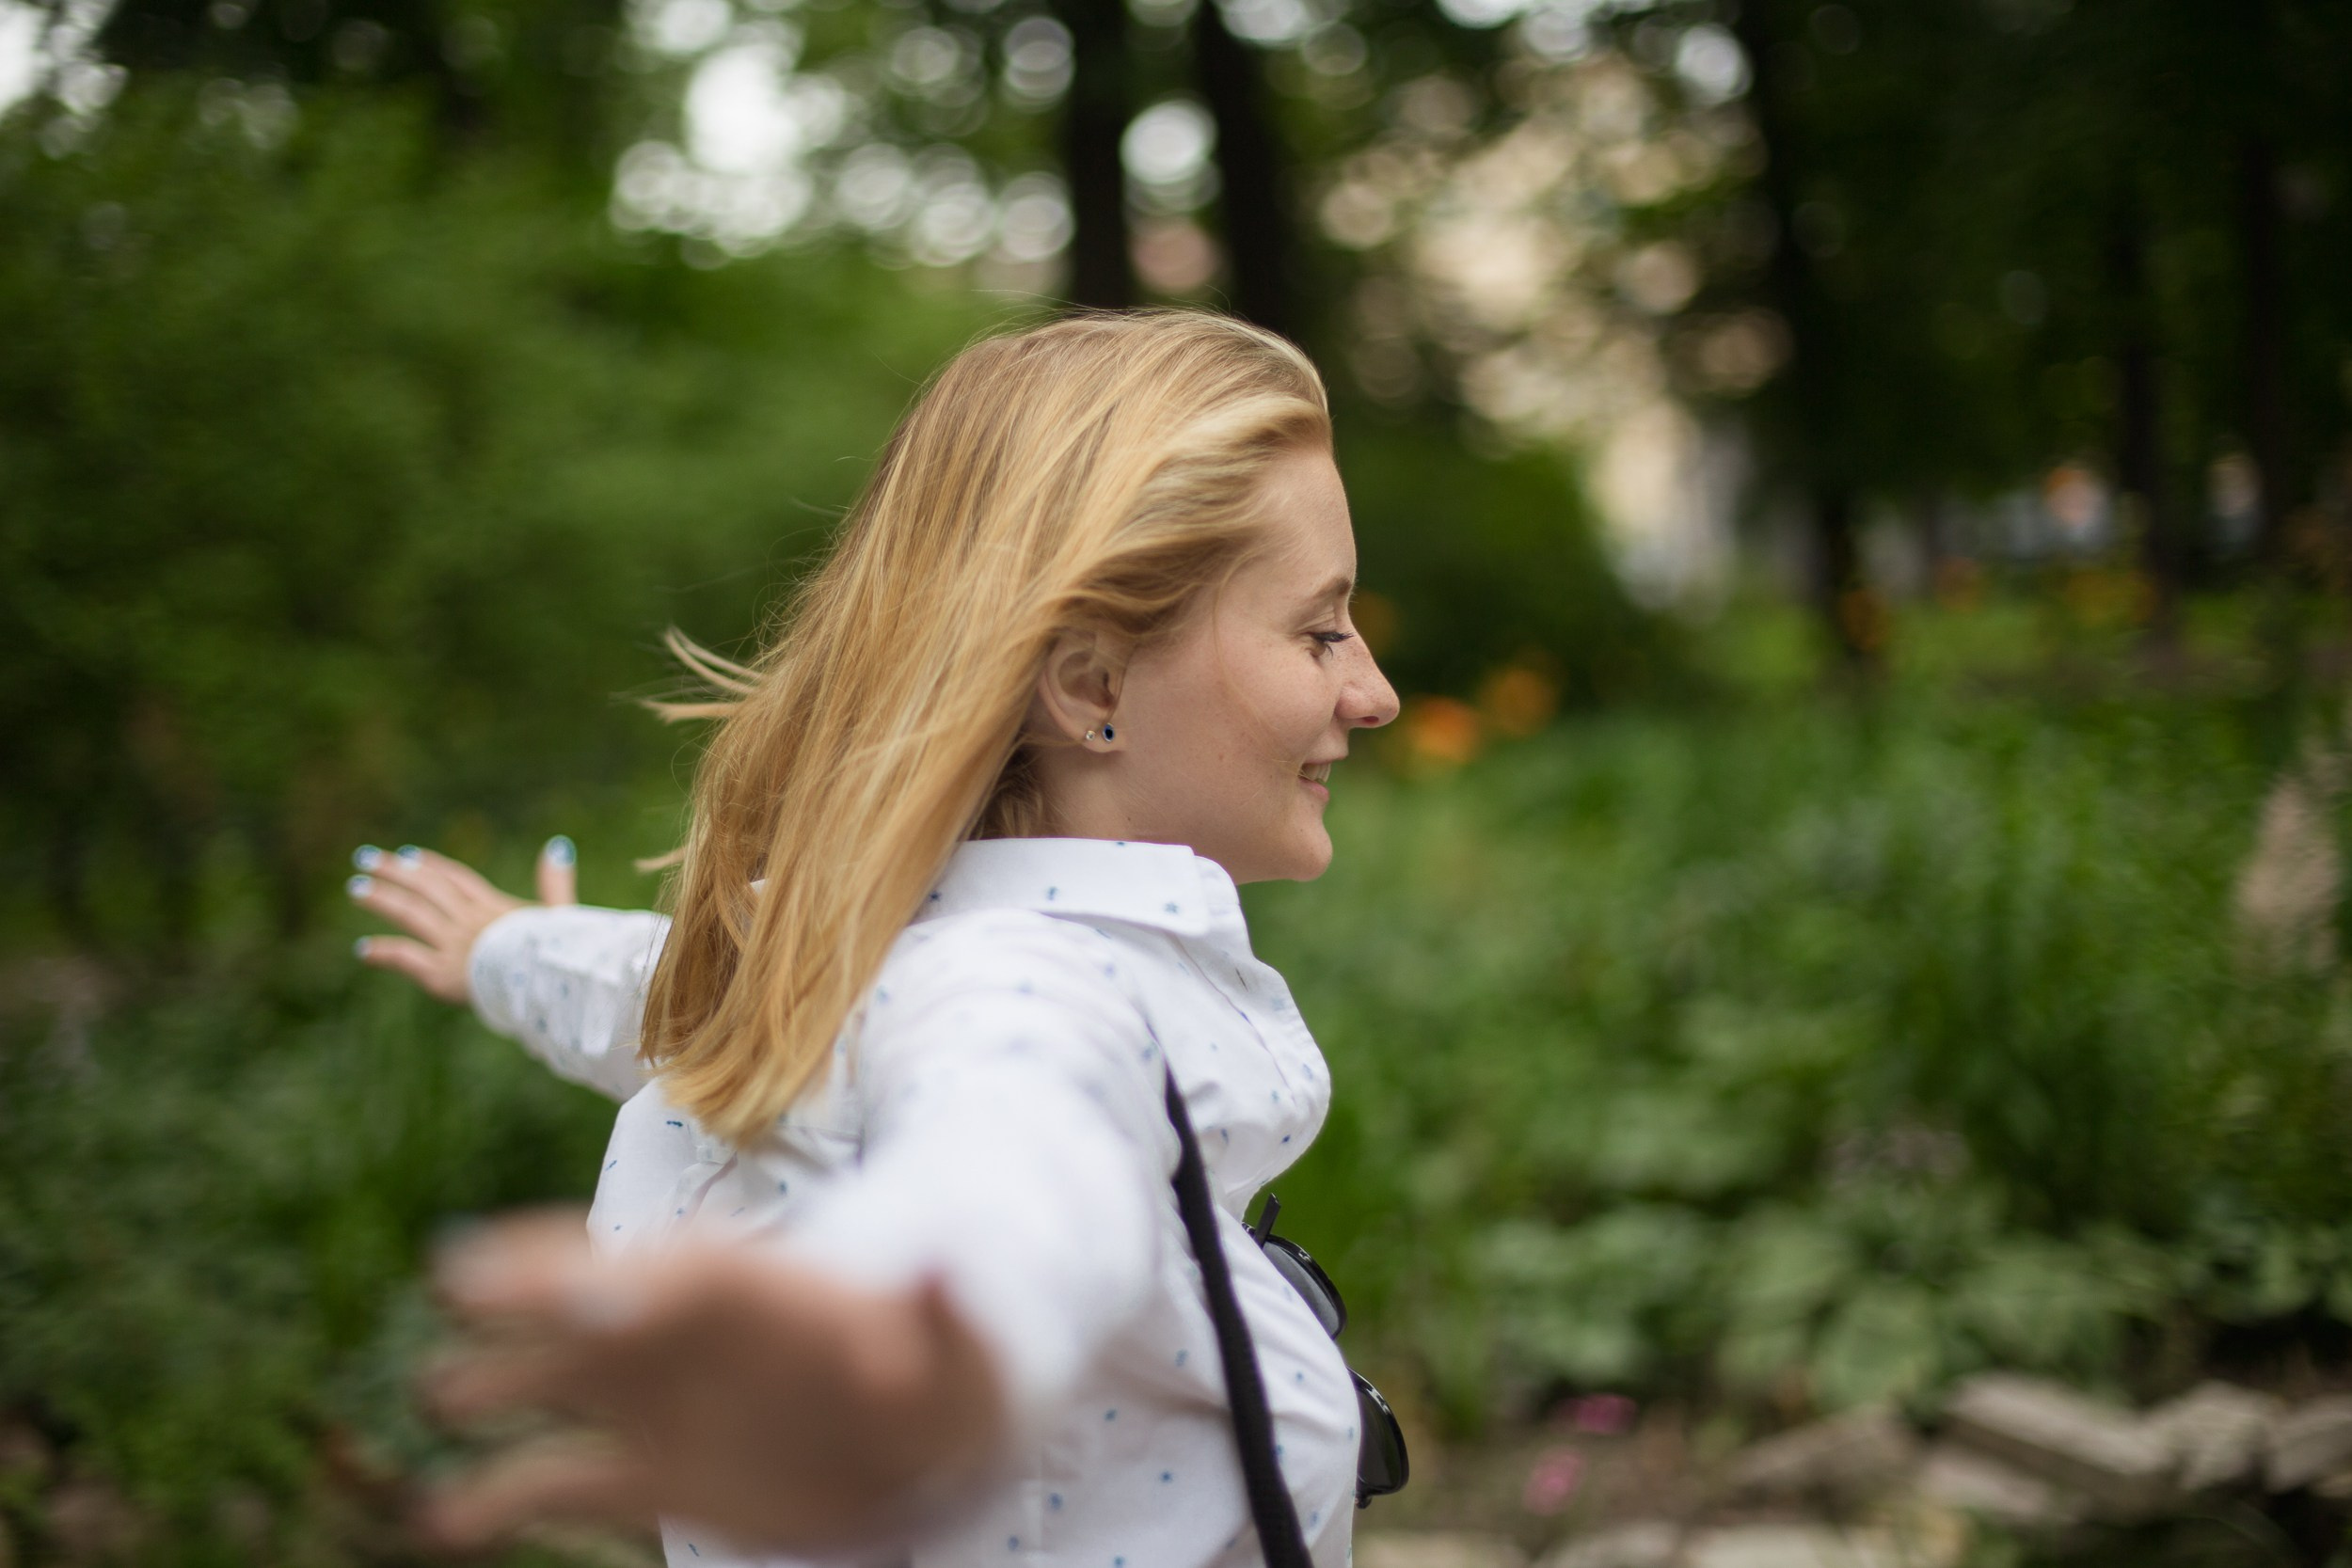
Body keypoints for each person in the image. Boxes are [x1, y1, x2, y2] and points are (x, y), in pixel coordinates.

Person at [348, 310, 1401, 1568]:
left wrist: (509, 952)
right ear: (1093, 687)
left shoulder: (834, 952)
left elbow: (663, 993)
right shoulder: (1042, 994)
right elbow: (1008, 1164)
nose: (1373, 691)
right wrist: (909, 1337)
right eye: (1319, 629)